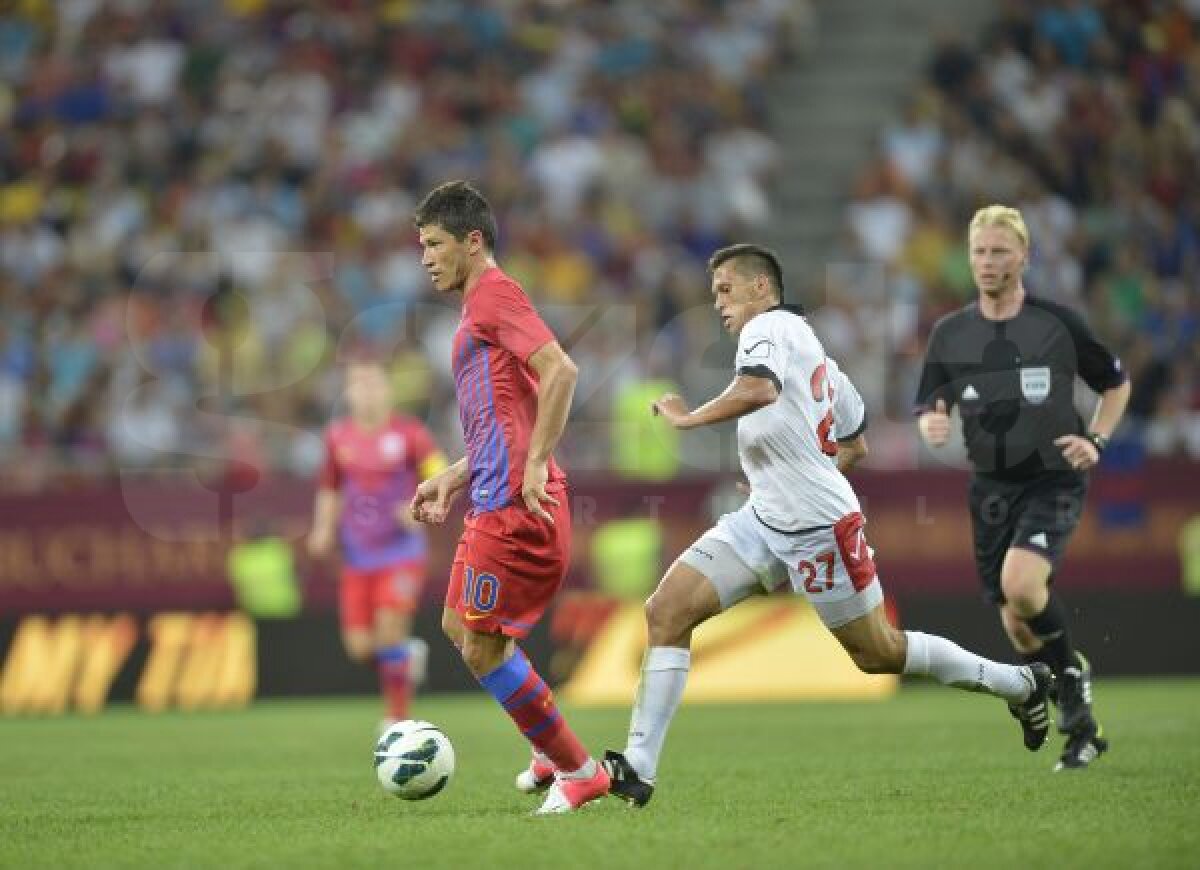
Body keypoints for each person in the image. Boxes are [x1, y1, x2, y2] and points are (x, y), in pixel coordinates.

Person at [602, 243, 1055, 807]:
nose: (718, 302)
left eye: (725, 289)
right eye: (714, 292)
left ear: (761, 289)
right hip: (765, 516)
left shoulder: (765, 328)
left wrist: (689, 418)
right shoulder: (816, 354)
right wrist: (790, 475)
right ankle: (638, 770)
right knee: (666, 611)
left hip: (818, 527)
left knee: (879, 654)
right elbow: (855, 443)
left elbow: (759, 388)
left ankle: (1021, 684)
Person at [408, 180, 610, 814]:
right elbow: (508, 419)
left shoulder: (495, 293)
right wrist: (454, 474)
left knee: (481, 646)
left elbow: (562, 370)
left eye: (435, 243)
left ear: (473, 242)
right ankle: (549, 749)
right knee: (457, 625)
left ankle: (581, 771)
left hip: (517, 508)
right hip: (490, 496)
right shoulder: (476, 309)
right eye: (421, 246)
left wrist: (538, 464)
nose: (426, 257)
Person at [914, 205, 1130, 770]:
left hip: (1053, 477)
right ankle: (1062, 692)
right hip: (990, 488)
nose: (988, 262)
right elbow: (931, 400)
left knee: (1023, 585)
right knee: (1016, 618)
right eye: (980, 251)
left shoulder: (1057, 323)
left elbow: (1116, 383)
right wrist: (931, 421)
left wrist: (1099, 441)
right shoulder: (950, 332)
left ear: (1024, 256)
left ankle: (1072, 701)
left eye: (1000, 251)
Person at [307, 358, 447, 725]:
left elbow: (440, 474)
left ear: (387, 391)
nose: (366, 392)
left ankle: (396, 717)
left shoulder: (410, 434)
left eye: (373, 384)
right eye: (358, 384)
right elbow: (330, 488)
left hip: (401, 551)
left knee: (389, 632)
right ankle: (405, 658)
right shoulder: (338, 437)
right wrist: (323, 528)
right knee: (360, 648)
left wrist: (420, 506)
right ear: (348, 393)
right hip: (357, 555)